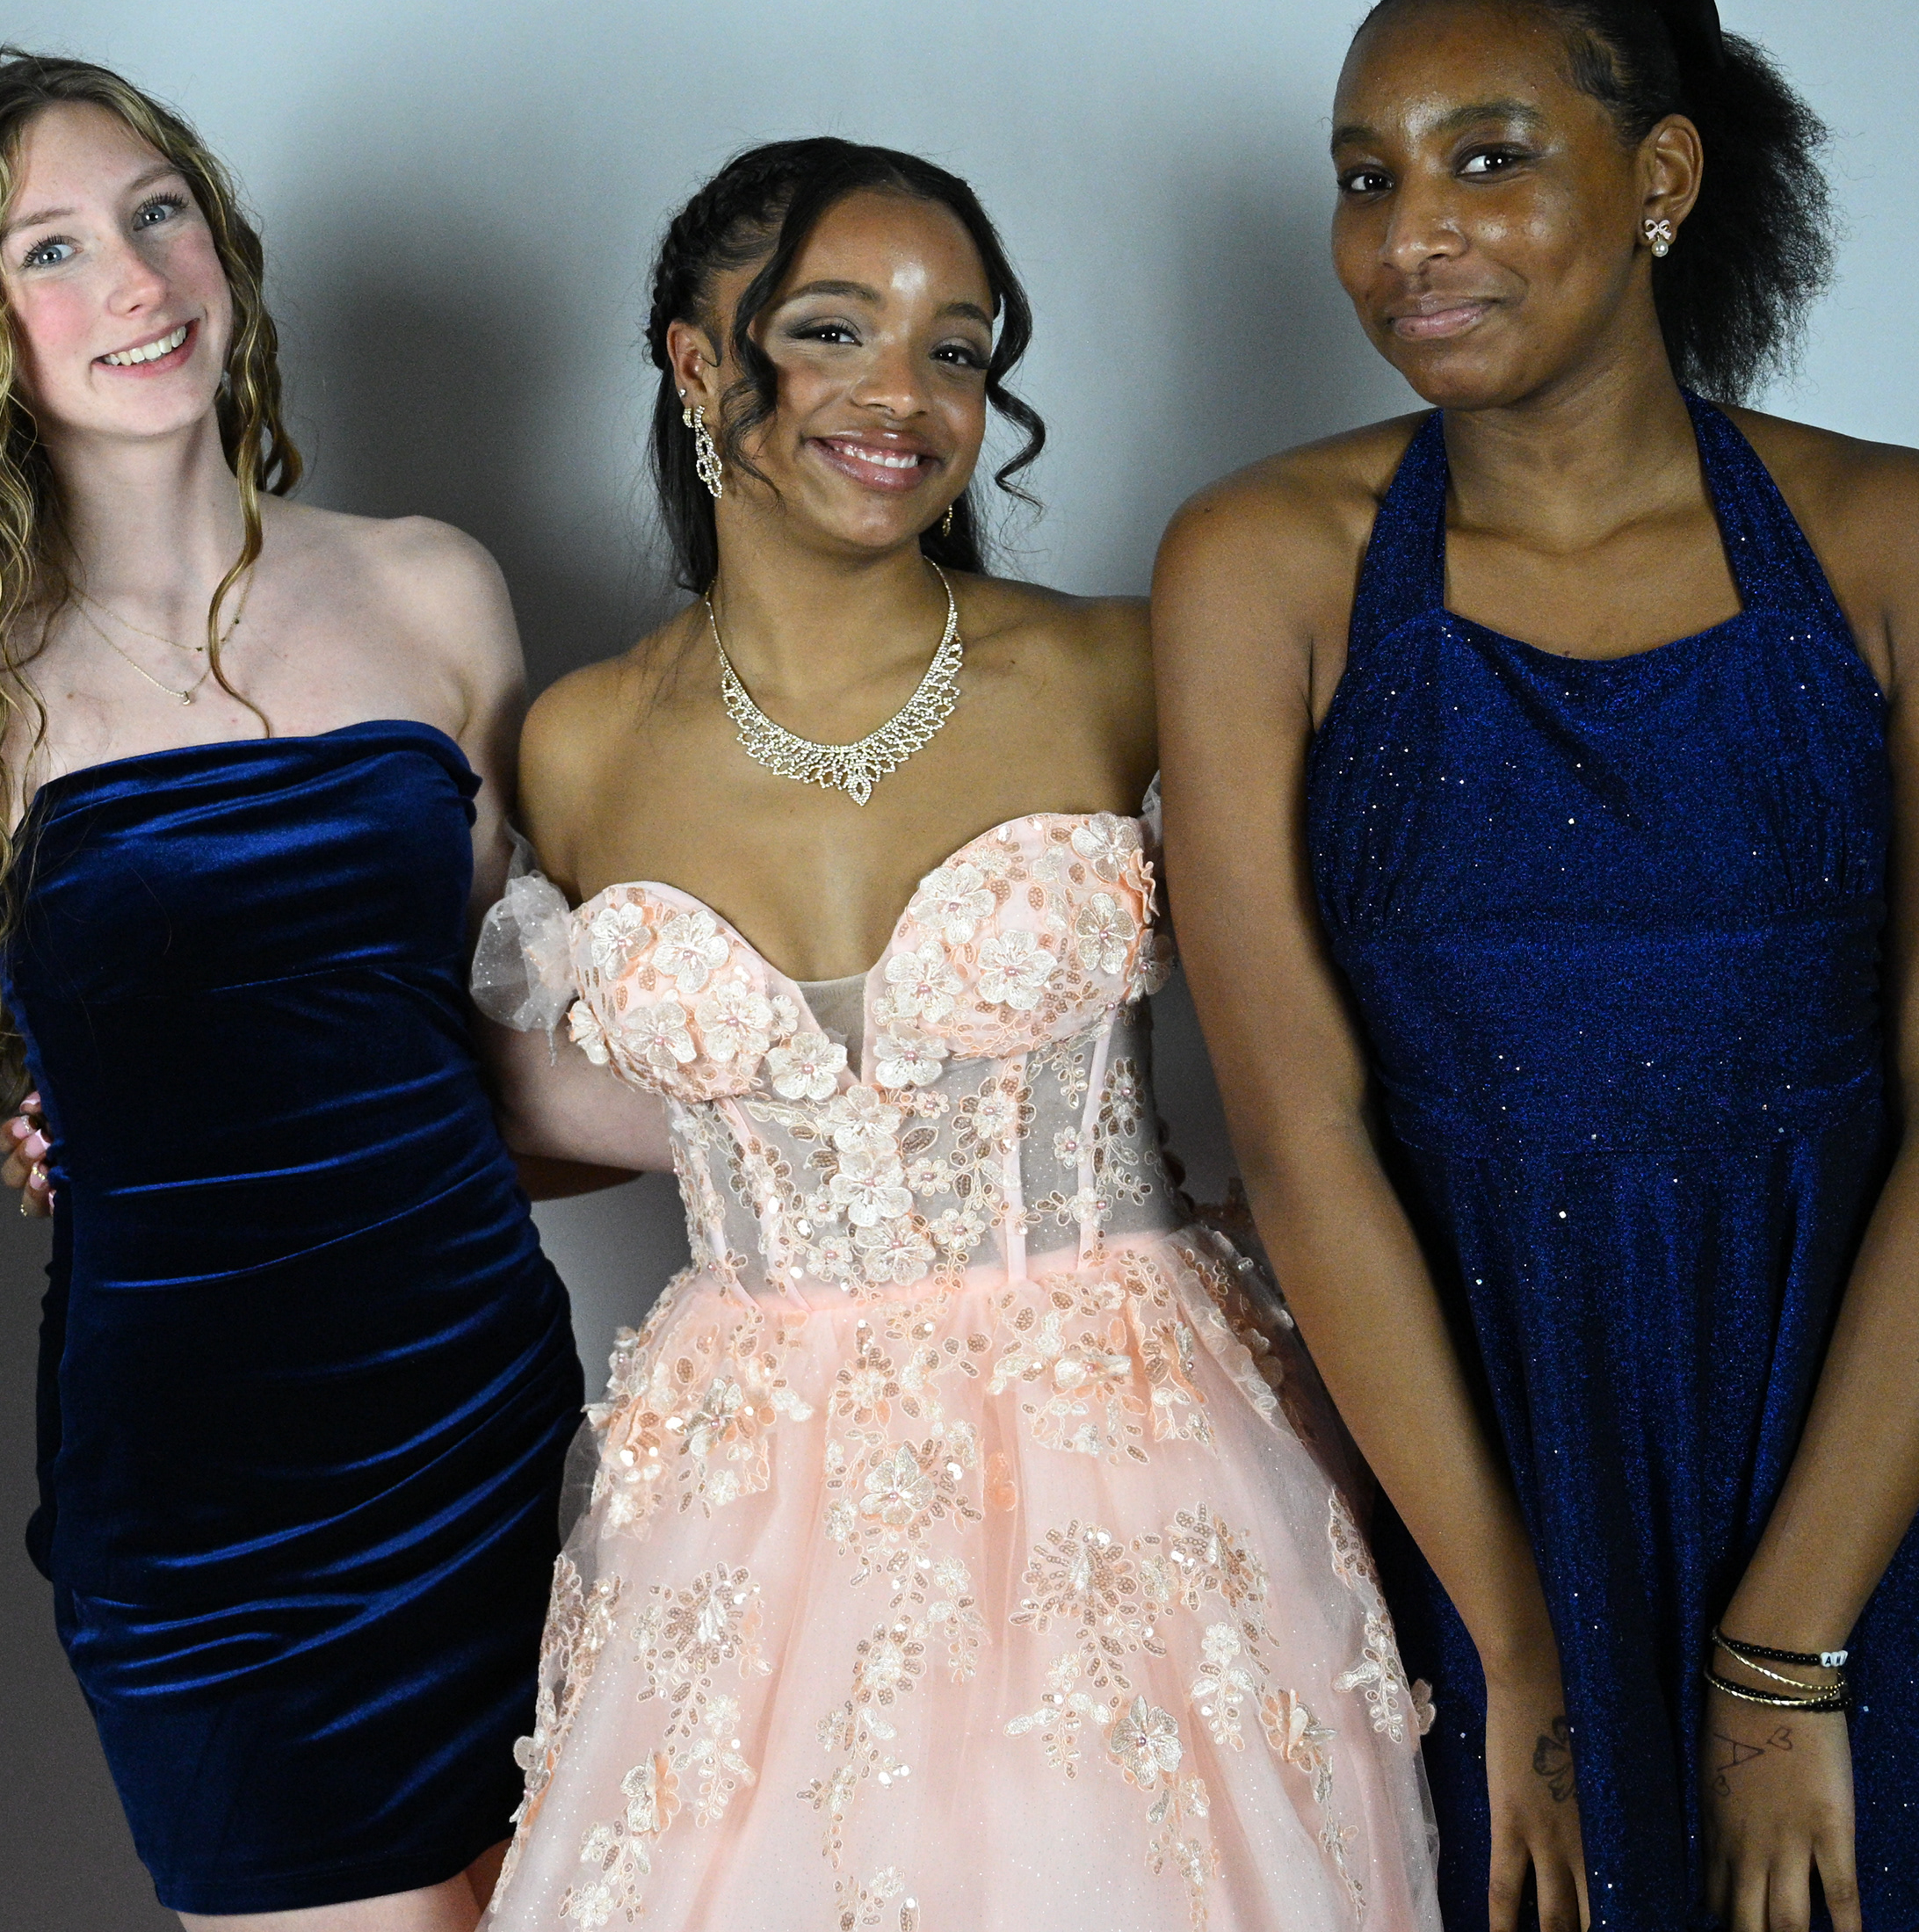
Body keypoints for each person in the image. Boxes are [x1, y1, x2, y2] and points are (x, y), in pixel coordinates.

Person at [1152, 0, 1919, 1932]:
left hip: (1870, 1436)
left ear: (1663, 179)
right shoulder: (1262, 562)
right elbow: (1299, 1133)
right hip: (1468, 1442)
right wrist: (1512, 1645)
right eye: (1366, 175)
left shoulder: (1905, 536)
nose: (1409, 234)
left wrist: (1786, 1649)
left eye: (1489, 157)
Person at [467, 138, 1436, 1931]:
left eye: (959, 349)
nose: (905, 397)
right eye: (836, 330)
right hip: (745, 1499)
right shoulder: (578, 746)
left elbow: (1376, 982)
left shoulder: (1119, 669)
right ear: (698, 361)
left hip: (1133, 1462)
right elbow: (538, 1099)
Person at [0, 50, 590, 1929]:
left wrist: (886, 1103)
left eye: (158, 213)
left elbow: (510, 1050)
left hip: (481, 1410)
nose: (136, 281)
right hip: (205, 1486)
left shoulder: (434, 588)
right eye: (52, 250)